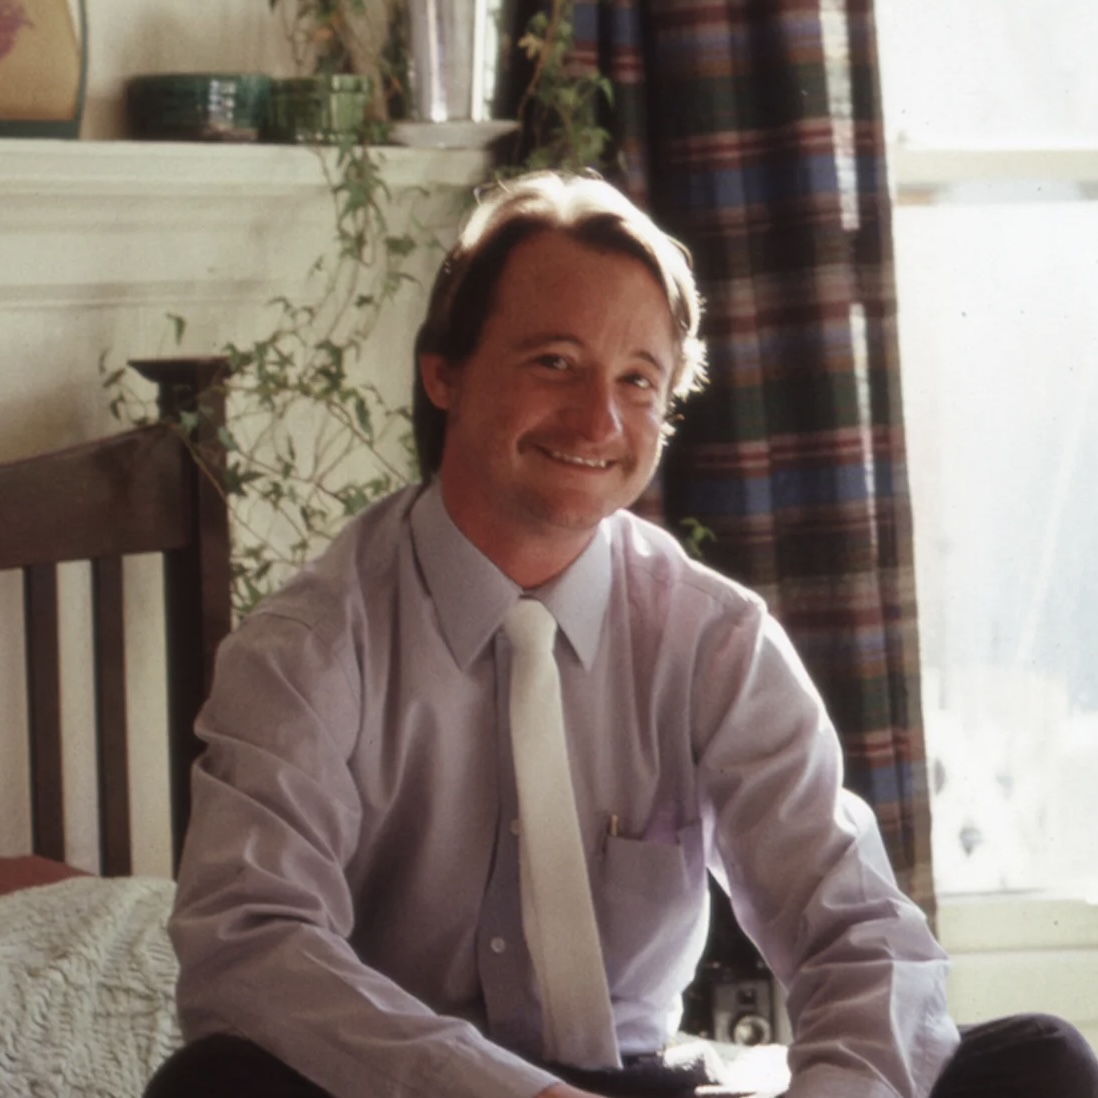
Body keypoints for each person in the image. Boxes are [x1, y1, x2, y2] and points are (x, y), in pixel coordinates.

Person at [145, 171, 1098, 1098]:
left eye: (638, 380)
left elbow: (861, 937)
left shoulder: (714, 640)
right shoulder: (310, 647)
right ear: (444, 373)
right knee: (212, 1087)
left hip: (647, 1082)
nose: (598, 417)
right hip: (416, 1089)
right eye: (554, 363)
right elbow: (251, 946)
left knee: (1042, 1063)